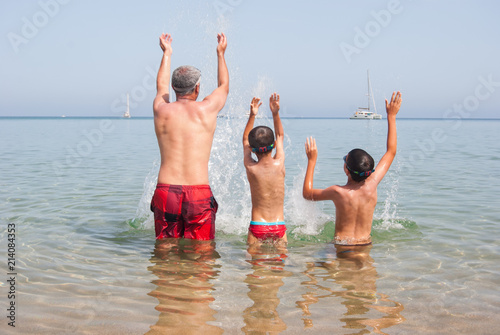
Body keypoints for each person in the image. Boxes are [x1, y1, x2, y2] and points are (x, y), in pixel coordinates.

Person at [150, 32, 229, 240]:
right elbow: (223, 86)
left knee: (164, 251)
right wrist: (221, 54)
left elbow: (160, 86)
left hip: (166, 190)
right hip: (198, 192)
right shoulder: (207, 109)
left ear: (174, 88)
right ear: (197, 88)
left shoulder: (161, 109)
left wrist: (167, 53)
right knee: (202, 255)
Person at [303, 91, 402, 246]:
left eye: (345, 159)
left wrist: (311, 161)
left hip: (342, 247)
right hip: (364, 246)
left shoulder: (338, 192)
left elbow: (307, 194)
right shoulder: (372, 184)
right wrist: (391, 116)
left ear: (346, 170)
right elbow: (391, 151)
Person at [243, 93, 287, 245]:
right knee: (281, 265)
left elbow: (244, 139)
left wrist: (252, 115)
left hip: (258, 225)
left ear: (251, 149)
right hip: (278, 225)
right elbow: (280, 135)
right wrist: (275, 113)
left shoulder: (251, 167)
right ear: (274, 145)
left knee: (255, 267)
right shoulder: (279, 162)